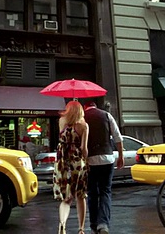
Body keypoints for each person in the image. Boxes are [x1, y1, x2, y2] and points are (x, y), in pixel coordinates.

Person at [83, 101, 124, 234]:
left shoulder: (82, 117)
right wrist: (121, 156)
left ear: (85, 107)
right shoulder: (106, 115)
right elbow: (118, 137)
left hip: (89, 161)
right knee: (105, 191)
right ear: (96, 106)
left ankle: (94, 224)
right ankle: (103, 224)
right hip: (107, 158)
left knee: (92, 193)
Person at [53, 100, 89, 234]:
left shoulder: (61, 121)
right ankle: (81, 228)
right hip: (77, 163)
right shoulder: (83, 126)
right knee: (80, 196)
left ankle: (62, 224)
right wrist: (85, 157)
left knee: (66, 198)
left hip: (63, 163)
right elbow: (83, 149)